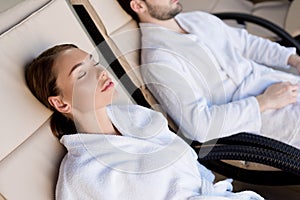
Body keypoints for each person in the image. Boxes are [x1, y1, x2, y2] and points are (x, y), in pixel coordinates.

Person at [25, 44, 264, 199]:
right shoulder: (81, 175)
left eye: (95, 63)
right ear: (60, 103)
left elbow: (190, 167)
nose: (102, 73)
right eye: (82, 73)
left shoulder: (137, 118)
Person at [117, 0, 300, 148]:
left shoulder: (198, 19)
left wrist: (293, 59)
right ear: (138, 6)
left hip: (279, 84)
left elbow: (247, 43)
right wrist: (265, 102)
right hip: (259, 119)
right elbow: (200, 127)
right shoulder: (159, 59)